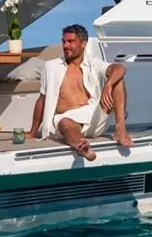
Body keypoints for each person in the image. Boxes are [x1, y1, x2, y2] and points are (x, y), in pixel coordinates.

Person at [26, 24, 132, 161]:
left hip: (94, 117)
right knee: (65, 122)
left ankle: (120, 129)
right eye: (64, 41)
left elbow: (120, 68)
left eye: (70, 41)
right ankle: (82, 146)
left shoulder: (93, 64)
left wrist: (108, 84)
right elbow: (42, 99)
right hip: (67, 120)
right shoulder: (51, 66)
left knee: (118, 80)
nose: (65, 45)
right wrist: (33, 132)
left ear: (83, 43)